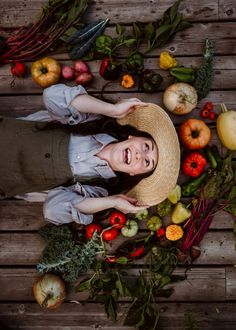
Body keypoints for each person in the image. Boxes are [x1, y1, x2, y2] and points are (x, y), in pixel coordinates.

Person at [0, 84, 180, 225]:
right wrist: (113, 110)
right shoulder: (94, 122)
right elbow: (52, 96)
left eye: (148, 162)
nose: (141, 155)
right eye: (146, 146)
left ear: (135, 174)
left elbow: (53, 210)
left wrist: (113, 201)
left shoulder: (98, 189)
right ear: (133, 137)